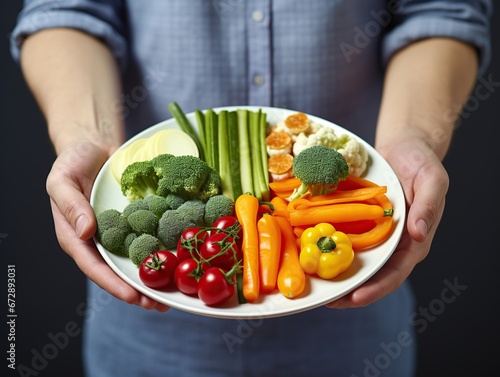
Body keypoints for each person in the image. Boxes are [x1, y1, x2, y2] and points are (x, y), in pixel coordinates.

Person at [10, 1, 492, 376]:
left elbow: (439, 11)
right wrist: (86, 137)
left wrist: (415, 138)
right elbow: (67, 10)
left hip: (353, 325)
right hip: (148, 326)